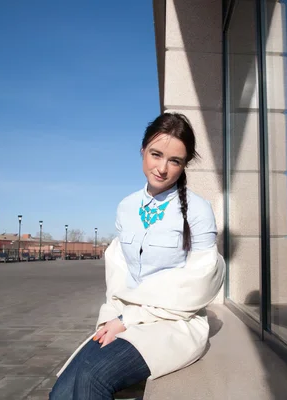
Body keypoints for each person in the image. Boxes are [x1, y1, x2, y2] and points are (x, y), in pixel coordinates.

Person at [50, 112, 224, 400]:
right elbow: (119, 277)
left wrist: (128, 318)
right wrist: (112, 319)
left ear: (185, 165)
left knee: (93, 377)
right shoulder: (126, 207)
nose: (162, 168)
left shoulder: (198, 210)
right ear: (142, 150)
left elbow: (198, 284)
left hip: (173, 323)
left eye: (175, 161)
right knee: (62, 393)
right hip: (126, 316)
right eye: (156, 154)